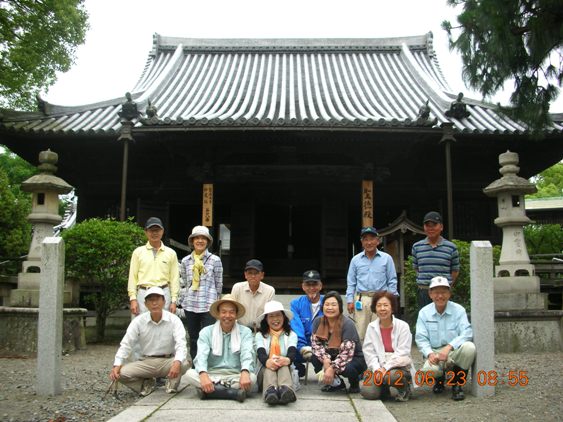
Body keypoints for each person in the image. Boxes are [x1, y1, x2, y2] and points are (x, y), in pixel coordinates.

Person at [109, 287, 190, 396]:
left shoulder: (174, 320)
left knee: (184, 362)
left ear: (164, 302)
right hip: (146, 362)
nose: (154, 303)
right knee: (121, 374)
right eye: (151, 300)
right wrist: (117, 364)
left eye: (158, 299)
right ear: (145, 304)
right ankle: (145, 384)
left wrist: (176, 362)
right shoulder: (138, 321)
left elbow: (181, 344)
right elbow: (126, 344)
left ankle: (172, 382)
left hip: (168, 361)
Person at [186, 295, 256, 402]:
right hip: (212, 374)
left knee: (252, 378)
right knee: (189, 374)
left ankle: (210, 391)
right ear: (218, 314)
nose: (227, 315)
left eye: (231, 312)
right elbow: (201, 356)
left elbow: (247, 354)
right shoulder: (206, 332)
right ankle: (232, 392)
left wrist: (245, 372)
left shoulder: (245, 332)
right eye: (223, 312)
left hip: (235, 375)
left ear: (236, 315)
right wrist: (203, 374)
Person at [415, 276, 476, 401]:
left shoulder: (459, 310)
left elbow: (467, 332)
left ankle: (457, 384)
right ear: (430, 294)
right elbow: (421, 338)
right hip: (434, 352)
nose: (440, 296)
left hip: (453, 350)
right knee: (427, 372)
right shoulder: (424, 312)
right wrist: (429, 353)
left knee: (470, 348)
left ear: (449, 293)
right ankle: (439, 380)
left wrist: (449, 347)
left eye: (443, 292)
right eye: (436, 292)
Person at [360, 291, 415, 402]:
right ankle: (384, 388)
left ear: (392, 308)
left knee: (391, 376)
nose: (382, 309)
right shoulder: (371, 327)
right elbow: (369, 352)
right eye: (379, 305)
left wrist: (385, 369)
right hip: (378, 367)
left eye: (386, 305)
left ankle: (404, 388)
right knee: (368, 392)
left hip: (398, 366)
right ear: (375, 308)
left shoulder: (402, 326)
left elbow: (402, 353)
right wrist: (377, 369)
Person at [346, 226, 398, 341]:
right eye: (365, 239)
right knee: (360, 332)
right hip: (361, 299)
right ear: (362, 241)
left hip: (380, 299)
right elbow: (351, 282)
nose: (369, 242)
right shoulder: (355, 260)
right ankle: (362, 358)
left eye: (372, 239)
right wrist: (350, 300)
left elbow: (392, 280)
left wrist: (390, 299)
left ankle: (380, 358)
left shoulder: (386, 258)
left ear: (377, 241)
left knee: (380, 331)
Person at [180, 225, 223, 360]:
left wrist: (217, 304)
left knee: (208, 337)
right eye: (196, 238)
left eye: (203, 238)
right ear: (192, 241)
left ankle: (207, 366)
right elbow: (185, 282)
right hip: (191, 304)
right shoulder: (186, 261)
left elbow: (218, 284)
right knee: (193, 338)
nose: (200, 241)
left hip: (208, 305)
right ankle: (195, 365)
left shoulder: (215, 260)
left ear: (208, 242)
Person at [311, 291, 366, 393]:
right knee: (314, 357)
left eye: (333, 305)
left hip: (353, 358)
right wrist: (325, 359)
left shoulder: (348, 324)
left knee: (348, 367)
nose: (330, 308)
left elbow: (347, 353)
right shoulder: (317, 321)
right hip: (331, 355)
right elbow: (316, 345)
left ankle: (354, 383)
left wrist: (332, 368)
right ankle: (336, 383)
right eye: (327, 304)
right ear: (322, 307)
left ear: (340, 307)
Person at [128, 217, 180, 316]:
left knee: (164, 326)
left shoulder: (171, 253)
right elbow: (132, 277)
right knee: (141, 327)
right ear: (146, 232)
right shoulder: (138, 252)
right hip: (143, 293)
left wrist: (174, 300)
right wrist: (133, 299)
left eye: (157, 230)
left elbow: (174, 278)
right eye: (151, 230)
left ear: (162, 231)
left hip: (164, 293)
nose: (154, 233)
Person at [411, 211, 460, 310]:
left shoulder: (451, 247)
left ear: (441, 227)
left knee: (445, 319)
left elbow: (455, 270)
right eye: (427, 225)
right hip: (424, 290)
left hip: (443, 291)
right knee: (426, 319)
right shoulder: (417, 247)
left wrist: (446, 286)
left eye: (434, 225)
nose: (431, 228)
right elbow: (416, 269)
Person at [255, 300, 298, 405]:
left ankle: (285, 390)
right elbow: (261, 354)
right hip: (265, 371)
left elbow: (292, 353)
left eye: (278, 315)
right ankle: (270, 391)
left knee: (283, 365)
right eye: (271, 316)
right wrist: (268, 362)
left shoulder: (291, 335)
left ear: (284, 317)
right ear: (266, 319)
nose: (275, 319)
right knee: (270, 367)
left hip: (285, 371)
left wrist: (286, 360)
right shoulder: (260, 335)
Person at [290, 269, 324, 378]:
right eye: (308, 285)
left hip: (322, 345)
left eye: (315, 284)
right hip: (302, 346)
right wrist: (302, 347)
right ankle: (299, 368)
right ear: (303, 286)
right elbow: (296, 326)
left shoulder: (329, 302)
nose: (311, 288)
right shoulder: (295, 304)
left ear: (320, 286)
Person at [231, 259, 275, 330]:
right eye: (250, 273)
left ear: (262, 275)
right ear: (245, 275)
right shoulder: (237, 288)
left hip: (261, 331)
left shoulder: (269, 290)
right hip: (239, 330)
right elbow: (232, 310)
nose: (253, 276)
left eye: (256, 273)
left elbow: (270, 314)